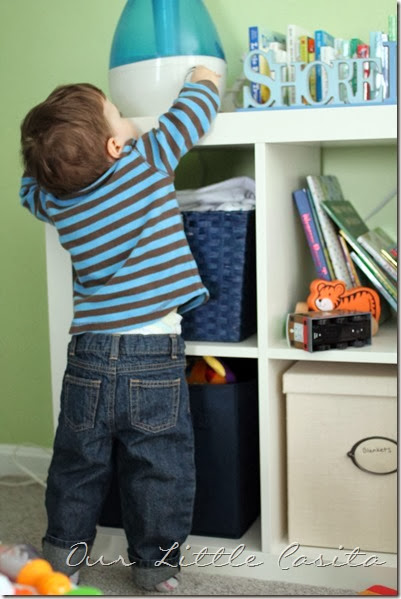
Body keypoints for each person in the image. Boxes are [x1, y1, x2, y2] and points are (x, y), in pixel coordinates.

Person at [19, 66, 220, 592]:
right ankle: (156, 568)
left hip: (88, 354)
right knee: (159, 466)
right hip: (152, 354)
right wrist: (202, 78)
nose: (126, 118)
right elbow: (192, 115)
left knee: (77, 465)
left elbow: (29, 190)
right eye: (118, 113)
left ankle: (62, 559)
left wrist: (45, 156)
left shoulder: (55, 200)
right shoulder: (145, 160)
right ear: (115, 146)